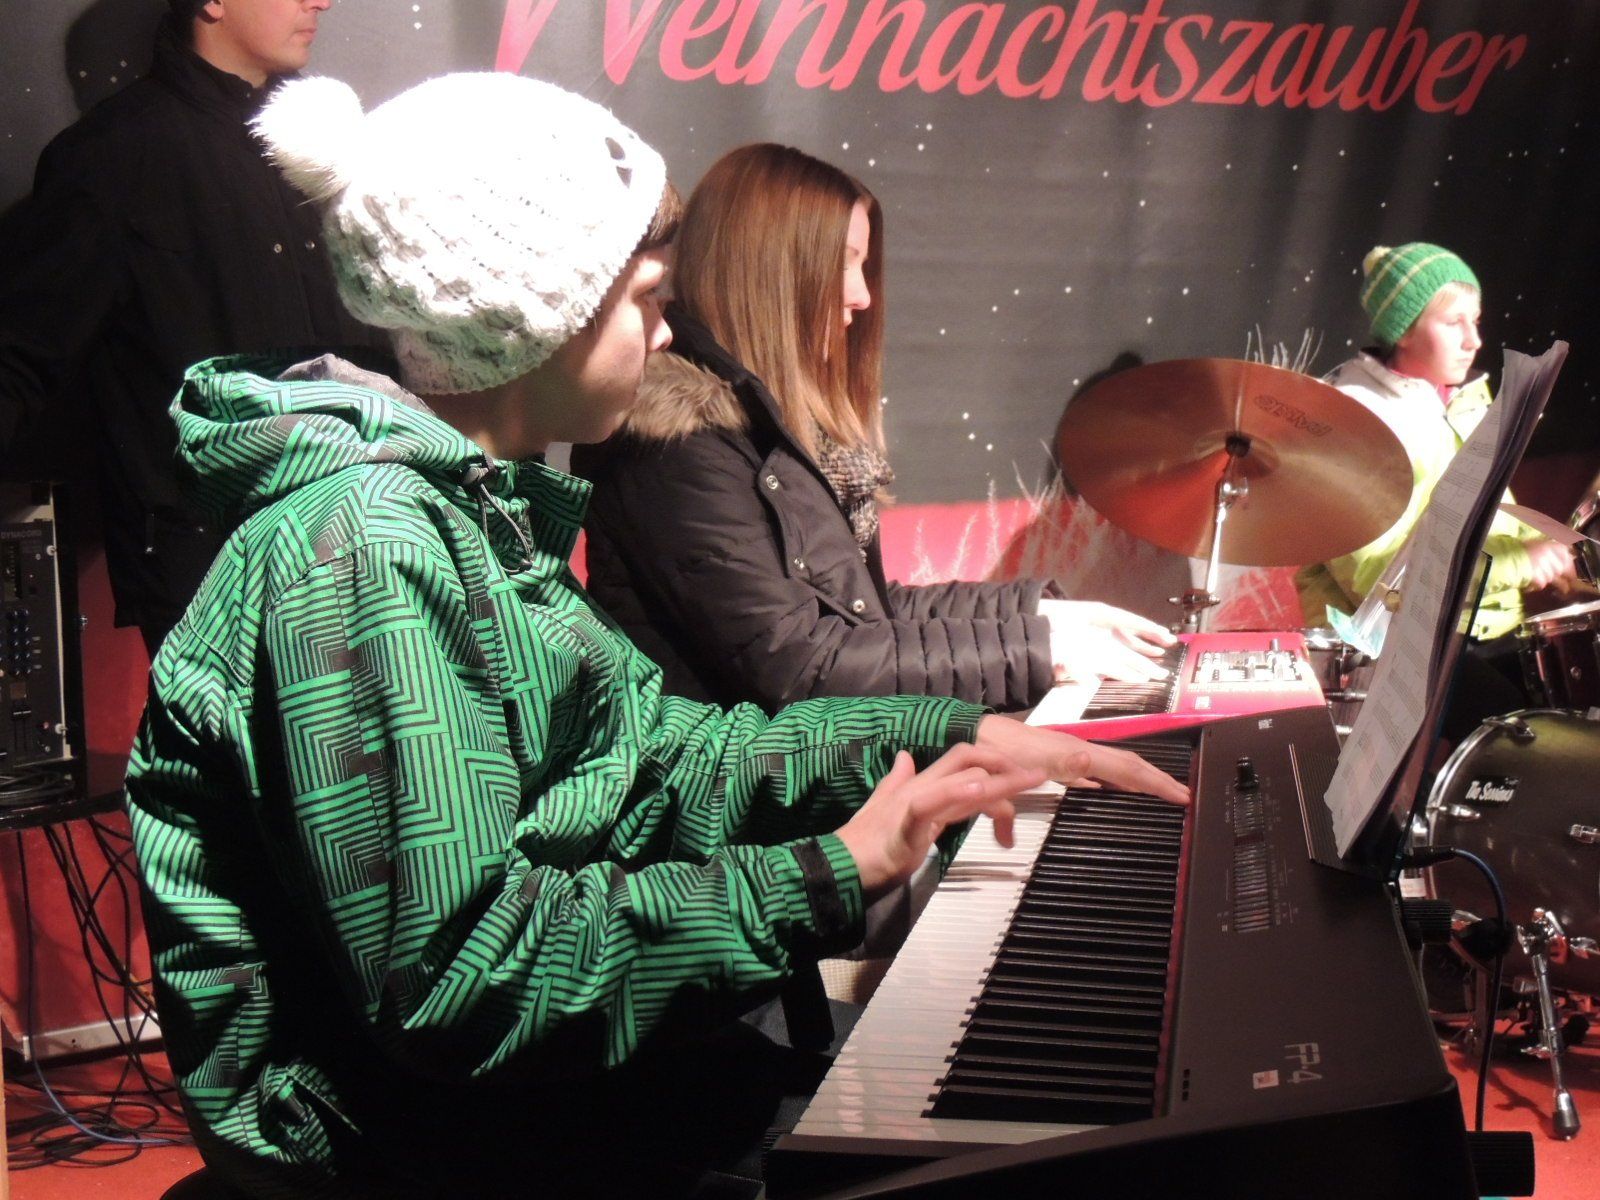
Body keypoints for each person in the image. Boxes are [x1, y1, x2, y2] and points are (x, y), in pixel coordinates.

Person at [122, 73, 1188, 1199]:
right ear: (533, 314)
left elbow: (661, 758)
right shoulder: (365, 551)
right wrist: (828, 871)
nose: (669, 329)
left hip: (549, 1109)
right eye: (645, 298)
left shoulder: (469, 515)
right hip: (431, 1156)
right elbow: (461, 983)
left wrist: (945, 736)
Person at [572, 143, 1174, 718]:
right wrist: (1039, 651)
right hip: (739, 789)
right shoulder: (677, 447)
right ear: (773, 271)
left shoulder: (754, 433)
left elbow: (867, 614)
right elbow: (803, 667)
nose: (862, 296)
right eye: (845, 262)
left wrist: (1042, 618)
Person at [0, 0, 385, 655]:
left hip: (365, 546)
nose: (320, 0)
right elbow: (23, 356)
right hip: (213, 579)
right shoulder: (113, 156)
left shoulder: (338, 143)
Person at [1295, 242, 1573, 730]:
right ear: (1403, 330)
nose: (1474, 341)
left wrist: (1548, 552)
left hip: (1479, 626)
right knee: (1532, 739)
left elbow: (1494, 517)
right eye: (1453, 323)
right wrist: (1518, 561)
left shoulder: (1462, 402)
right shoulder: (1354, 424)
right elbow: (1383, 584)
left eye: (1476, 321)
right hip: (1399, 646)